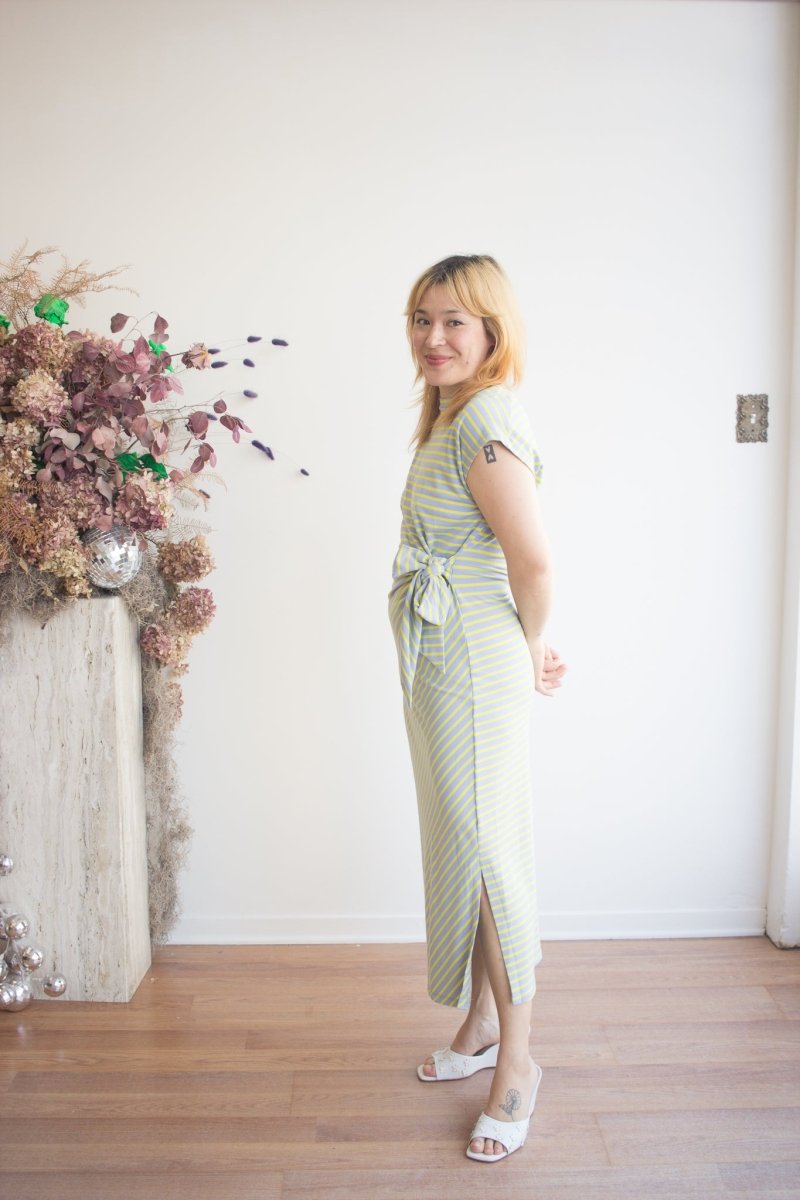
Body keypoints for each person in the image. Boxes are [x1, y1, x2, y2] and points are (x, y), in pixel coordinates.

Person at [388, 254, 566, 1163]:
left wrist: (532, 645)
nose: (434, 337)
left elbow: (530, 560)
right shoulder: (451, 416)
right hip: (445, 651)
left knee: (489, 853)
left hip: (470, 657)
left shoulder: (487, 419)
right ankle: (482, 1025)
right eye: (423, 319)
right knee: (467, 840)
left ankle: (519, 1062)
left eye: (455, 320)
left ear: (492, 329)